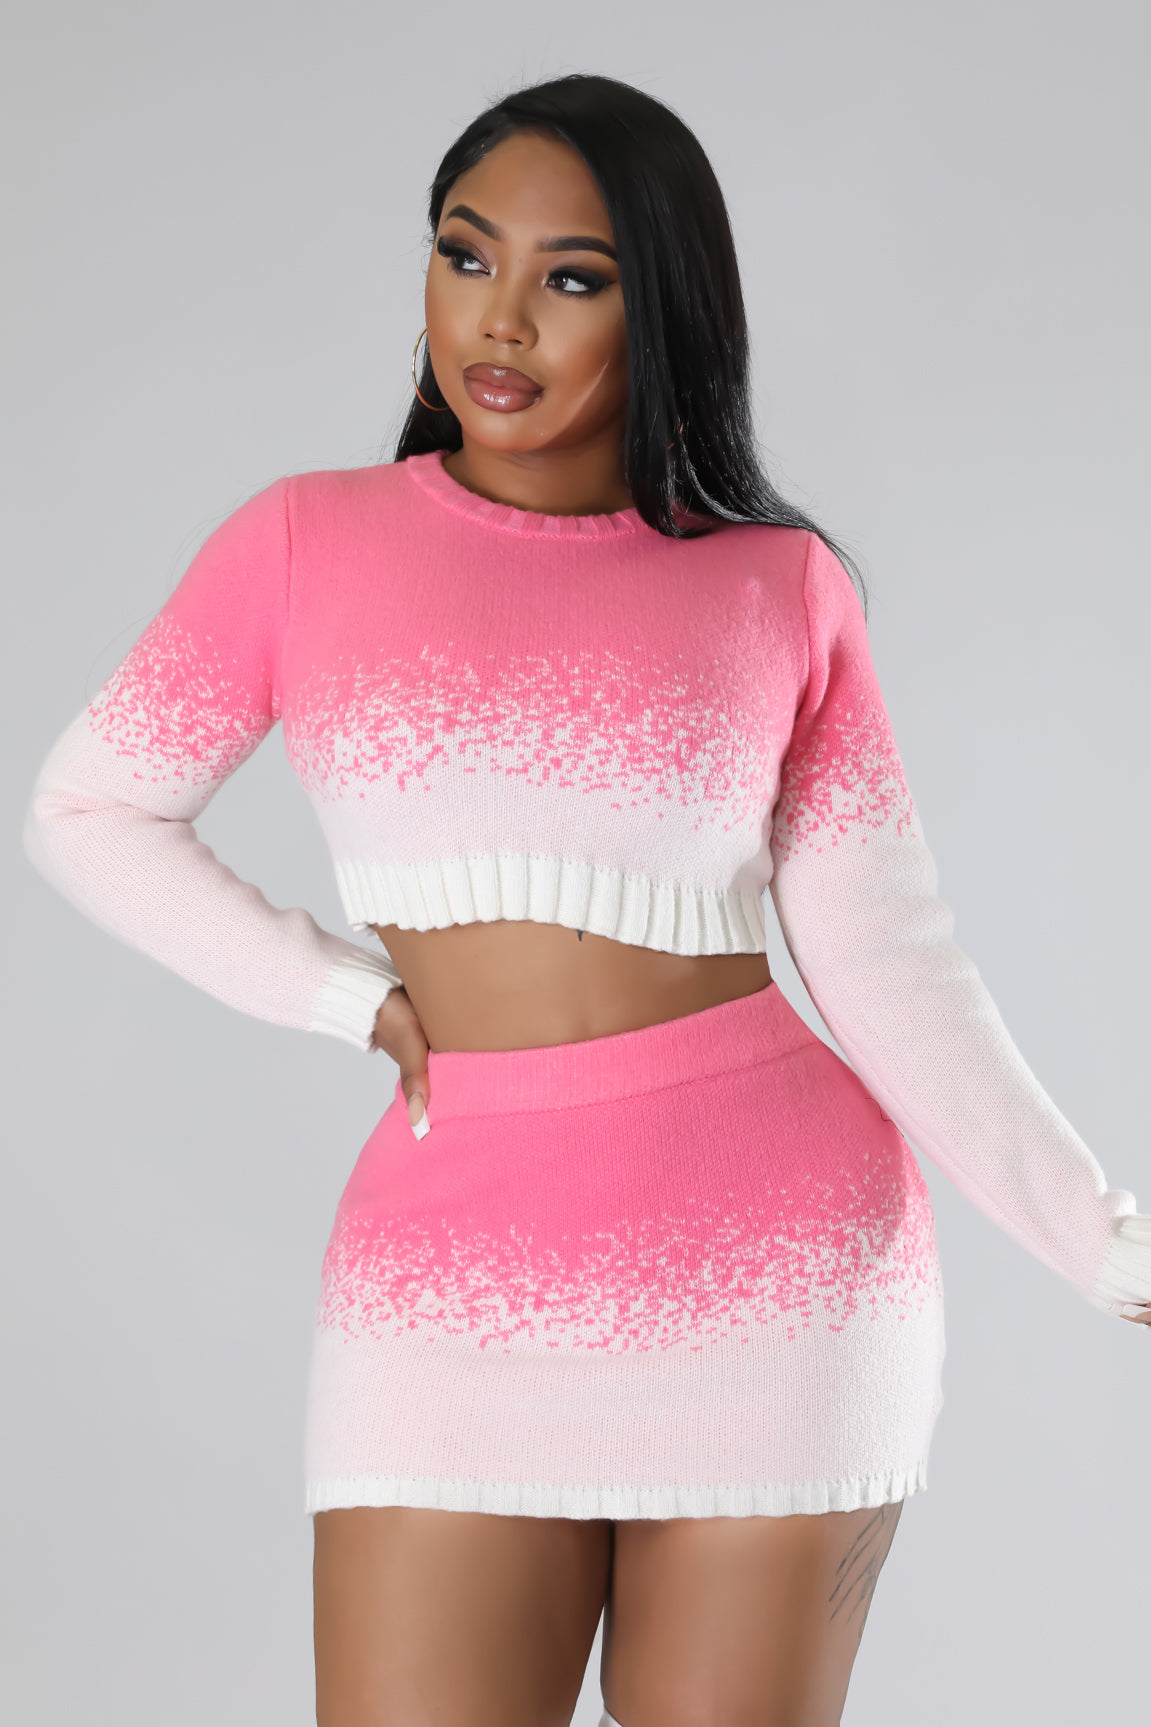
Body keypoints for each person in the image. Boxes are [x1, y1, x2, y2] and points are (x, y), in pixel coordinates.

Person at [22, 70, 1151, 1727]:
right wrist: (342, 993)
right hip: (452, 1277)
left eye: (573, 277)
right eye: (466, 255)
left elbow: (890, 963)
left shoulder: (777, 588)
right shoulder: (302, 546)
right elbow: (88, 810)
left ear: (663, 306)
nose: (502, 318)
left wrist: (1108, 1241)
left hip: (779, 1268)